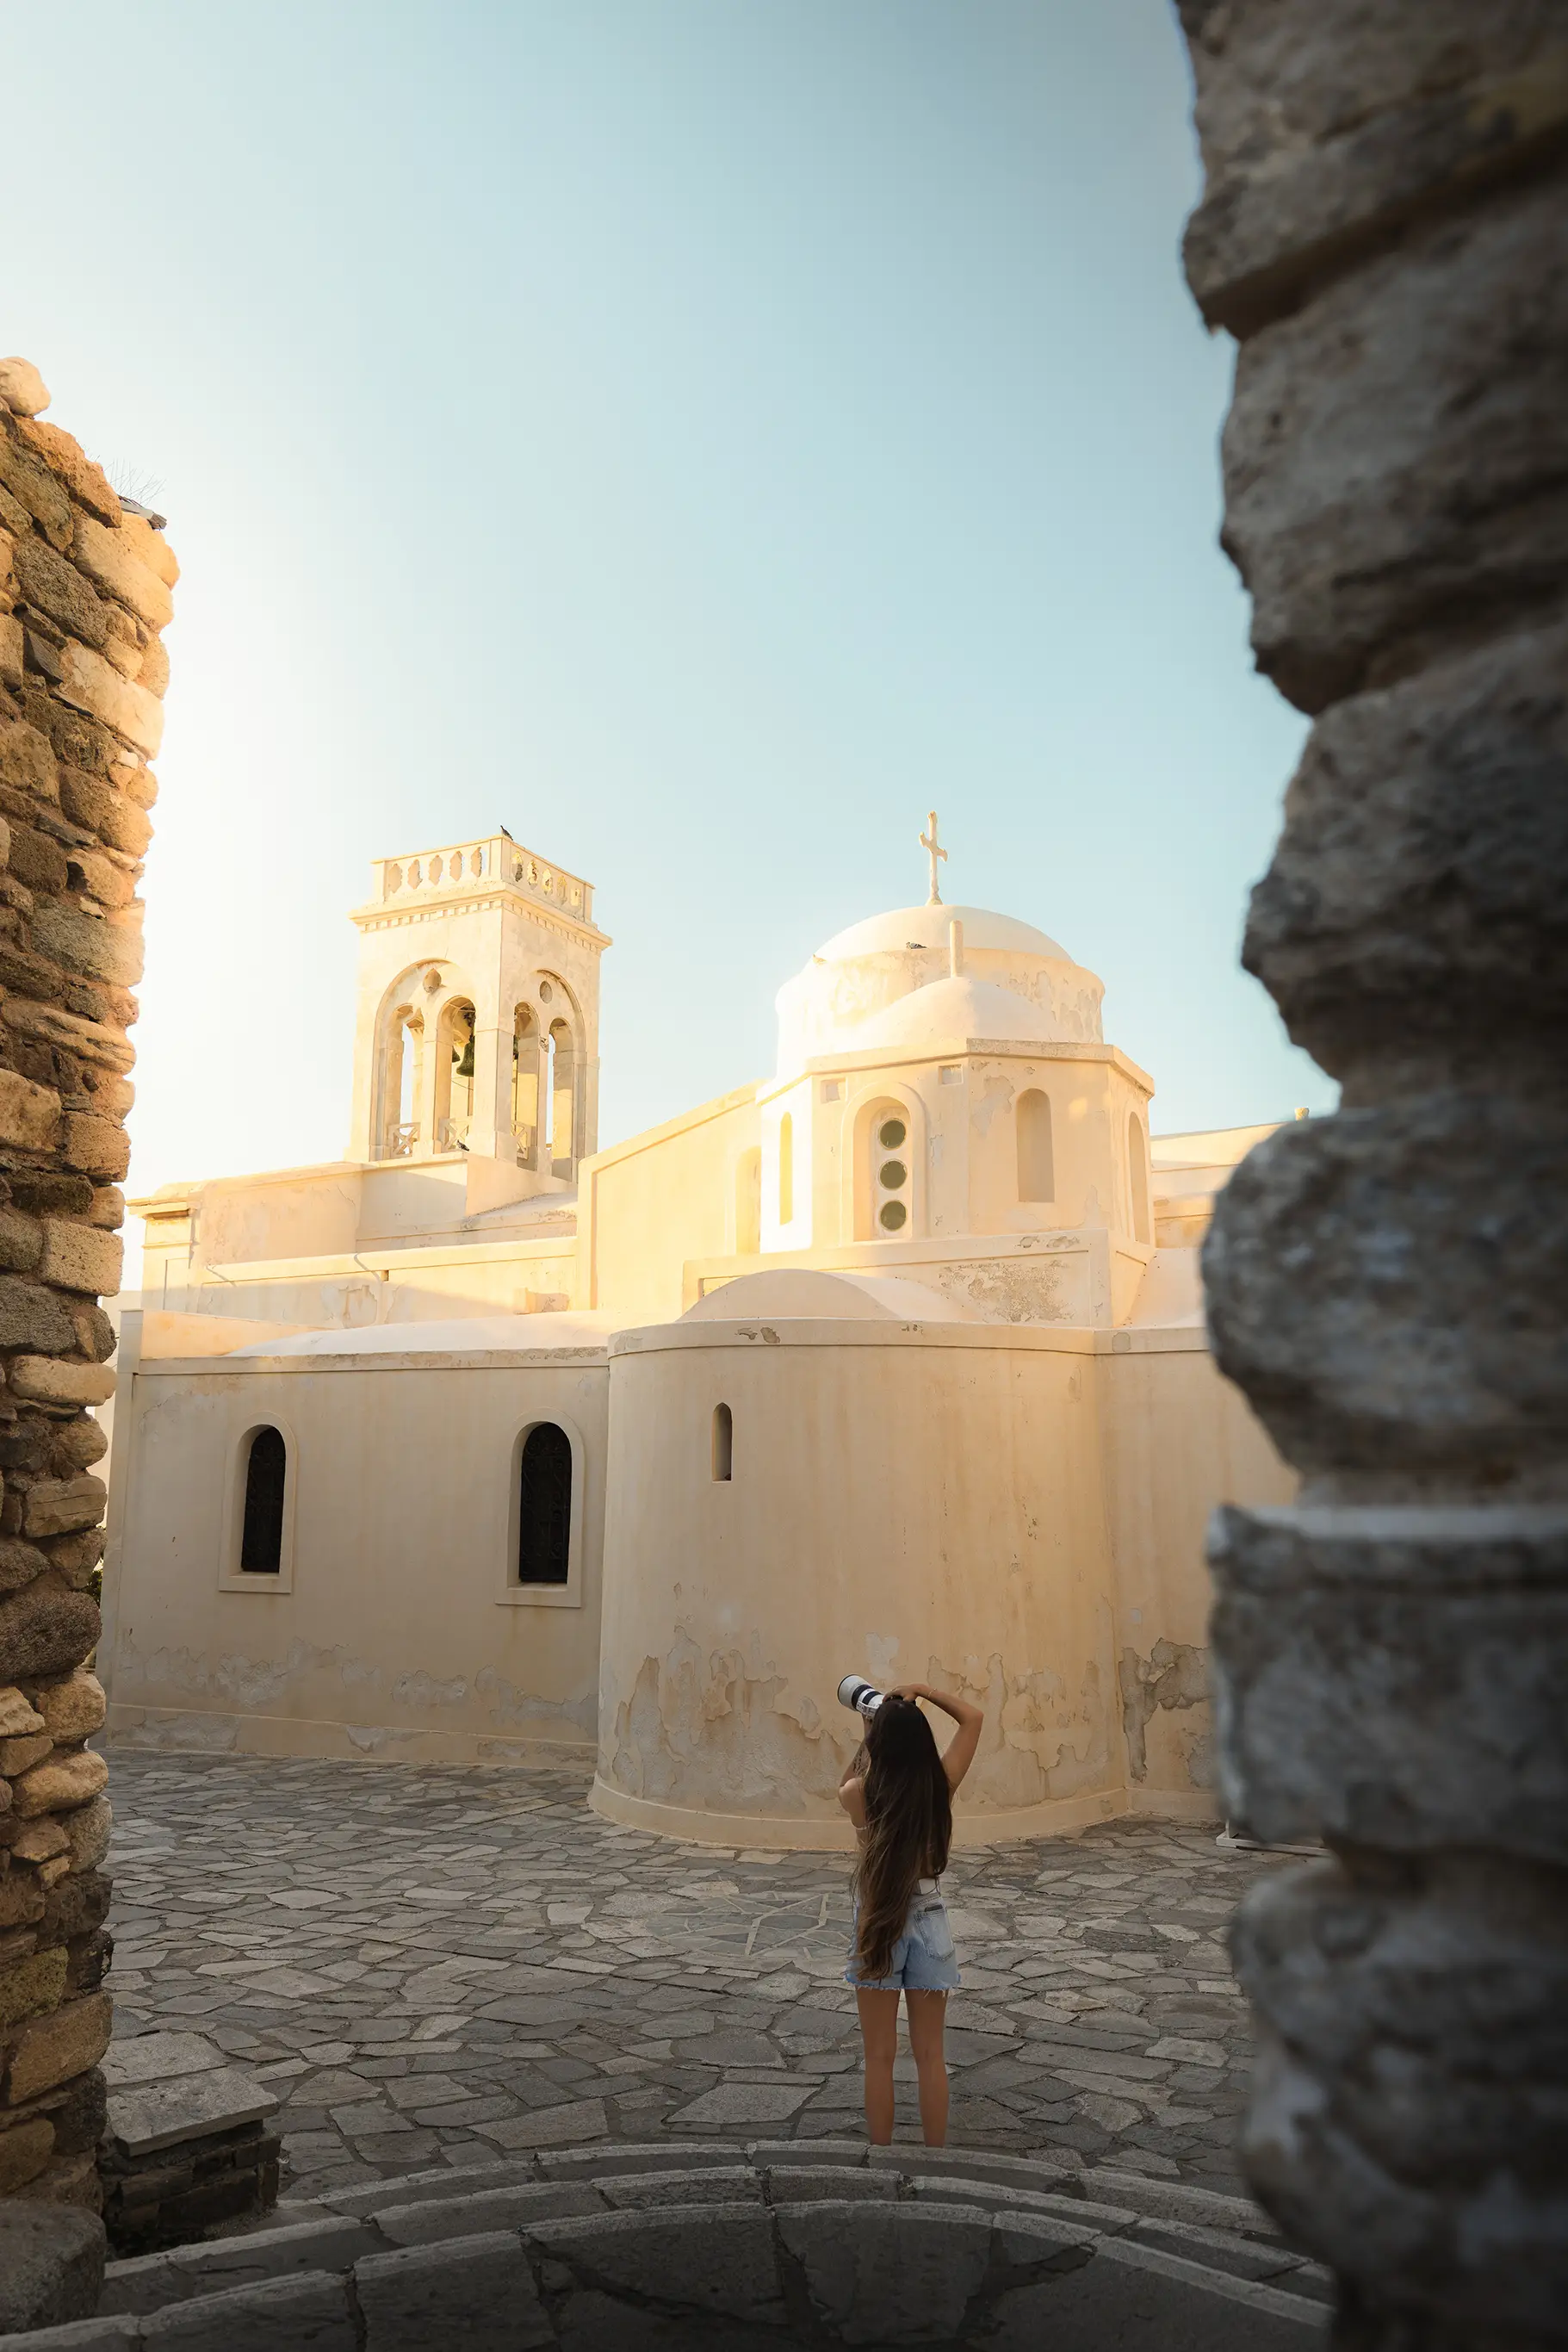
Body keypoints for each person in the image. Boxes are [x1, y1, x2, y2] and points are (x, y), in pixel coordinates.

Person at [837, 1680, 983, 2146]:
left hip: (878, 1918)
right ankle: (934, 2159)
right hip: (928, 1915)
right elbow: (973, 1718)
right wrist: (922, 1690)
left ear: (880, 1742)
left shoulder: (859, 1793)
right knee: (931, 2056)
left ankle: (880, 2157)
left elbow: (847, 1783)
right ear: (923, 1741)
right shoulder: (940, 1786)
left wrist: (869, 1730)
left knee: (879, 2057)